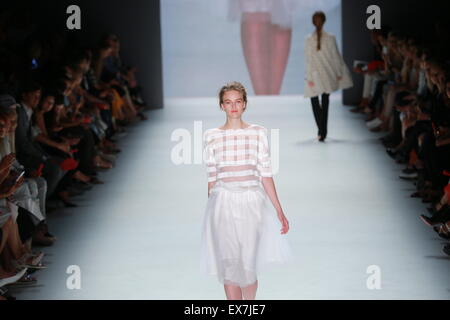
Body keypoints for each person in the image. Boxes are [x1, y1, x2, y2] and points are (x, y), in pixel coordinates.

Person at [200, 81, 293, 300]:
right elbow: (211, 178)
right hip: (222, 203)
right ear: (221, 106)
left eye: (238, 102)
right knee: (229, 262)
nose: (233, 107)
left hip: (252, 201)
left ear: (245, 105)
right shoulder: (211, 136)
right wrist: (210, 215)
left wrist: (279, 210)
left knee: (248, 262)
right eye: (228, 102)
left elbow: (266, 174)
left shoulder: (258, 133)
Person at [304, 11, 353, 142]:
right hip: (327, 74)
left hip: (314, 74)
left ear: (313, 22)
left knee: (315, 101)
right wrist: (338, 73)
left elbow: (308, 60)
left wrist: (308, 76)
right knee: (325, 102)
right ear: (324, 21)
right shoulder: (330, 38)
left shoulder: (309, 39)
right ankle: (322, 131)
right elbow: (336, 57)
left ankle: (321, 130)